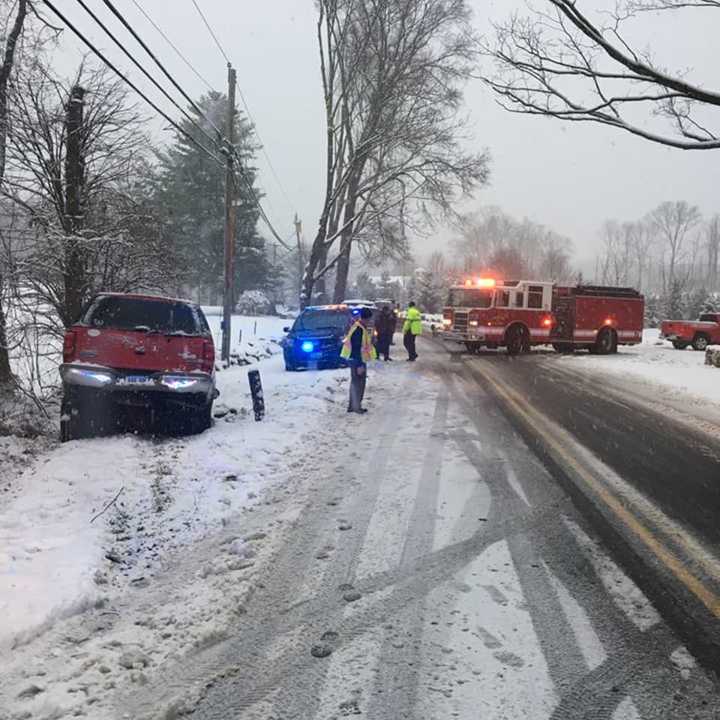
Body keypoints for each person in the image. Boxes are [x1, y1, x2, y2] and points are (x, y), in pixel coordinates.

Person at [340, 307, 377, 413]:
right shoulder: (359, 329)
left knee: (355, 382)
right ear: (366, 318)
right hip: (357, 360)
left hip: (355, 359)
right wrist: (360, 364)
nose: (370, 321)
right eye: (369, 318)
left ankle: (353, 406)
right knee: (358, 384)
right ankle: (356, 407)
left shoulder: (358, 327)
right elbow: (356, 348)